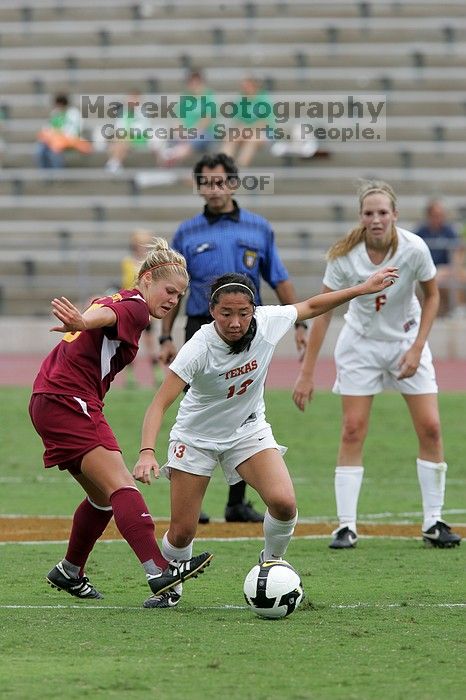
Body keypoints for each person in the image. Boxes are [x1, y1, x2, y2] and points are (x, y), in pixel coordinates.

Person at [132, 267, 398, 608]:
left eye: (243, 313)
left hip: (247, 430)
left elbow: (313, 305)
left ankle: (272, 563)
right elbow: (158, 404)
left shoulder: (269, 322)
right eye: (226, 314)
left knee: (284, 503)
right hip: (196, 437)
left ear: (253, 310)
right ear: (212, 312)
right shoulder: (199, 347)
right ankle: (171, 585)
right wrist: (146, 452)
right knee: (183, 531)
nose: (235, 322)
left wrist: (362, 288)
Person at [29, 238, 212, 607]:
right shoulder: (135, 308)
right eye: (169, 290)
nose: (172, 300)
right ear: (146, 279)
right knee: (122, 487)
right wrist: (83, 319)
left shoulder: (115, 298)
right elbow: (108, 318)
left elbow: (103, 315)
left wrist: (85, 318)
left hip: (49, 398)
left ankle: (69, 570)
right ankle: (158, 569)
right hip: (70, 400)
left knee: (101, 499)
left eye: (179, 296)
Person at [292, 180, 462, 550]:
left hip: (406, 339)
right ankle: (346, 526)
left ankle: (433, 521)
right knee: (353, 429)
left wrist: (418, 347)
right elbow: (322, 312)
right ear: (361, 217)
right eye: (369, 213)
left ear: (395, 215)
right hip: (361, 345)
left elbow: (432, 297)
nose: (376, 219)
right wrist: (306, 372)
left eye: (383, 212)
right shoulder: (344, 256)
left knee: (431, 428)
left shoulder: (414, 248)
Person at [159, 152, 307, 524]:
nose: (213, 189)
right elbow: (175, 288)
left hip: (248, 328)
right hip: (200, 327)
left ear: (234, 183)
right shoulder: (186, 232)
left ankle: (237, 502)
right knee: (197, 407)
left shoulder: (259, 227)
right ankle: (190, 493)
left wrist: (300, 324)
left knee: (244, 406)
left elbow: (279, 276)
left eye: (219, 181)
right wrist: (164, 334)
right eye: (205, 182)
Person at [121, 229, 164, 387]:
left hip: (146, 305)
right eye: (139, 244)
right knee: (129, 341)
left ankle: (157, 372)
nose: (142, 247)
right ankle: (130, 375)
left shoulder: (150, 262)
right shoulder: (128, 262)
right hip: (131, 305)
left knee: (150, 341)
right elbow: (127, 283)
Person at [415, 199, 466, 317]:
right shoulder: (421, 232)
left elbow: (457, 254)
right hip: (426, 271)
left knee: (459, 277)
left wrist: (451, 269)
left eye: (441, 215)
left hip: (446, 271)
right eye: (435, 215)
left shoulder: (449, 231)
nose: (438, 218)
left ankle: (458, 308)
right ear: (428, 216)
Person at [160, 69, 216, 167]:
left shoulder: (208, 96)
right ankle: (168, 164)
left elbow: (206, 120)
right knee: (167, 141)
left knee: (188, 144)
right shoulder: (185, 96)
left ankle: (170, 162)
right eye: (191, 82)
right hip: (185, 133)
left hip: (203, 133)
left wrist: (190, 132)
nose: (194, 85)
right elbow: (178, 119)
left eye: (196, 82)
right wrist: (181, 132)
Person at [222, 76, 273, 167]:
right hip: (245, 132)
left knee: (252, 139)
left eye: (248, 86)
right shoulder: (241, 100)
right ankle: (224, 167)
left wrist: (248, 129)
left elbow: (265, 123)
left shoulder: (264, 99)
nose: (245, 89)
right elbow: (237, 122)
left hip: (264, 133)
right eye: (244, 87)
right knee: (231, 138)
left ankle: (240, 168)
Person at [36, 94, 92, 169]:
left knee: (55, 151)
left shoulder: (74, 113)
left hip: (71, 141)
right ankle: (45, 174)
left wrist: (58, 136)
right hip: (55, 141)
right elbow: (48, 128)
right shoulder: (55, 113)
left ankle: (58, 174)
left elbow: (74, 131)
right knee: (41, 149)